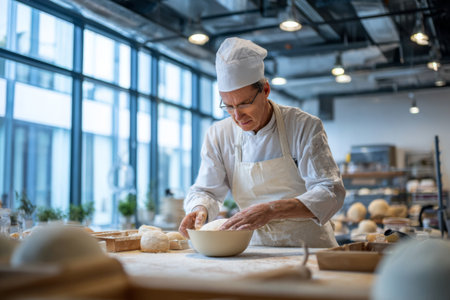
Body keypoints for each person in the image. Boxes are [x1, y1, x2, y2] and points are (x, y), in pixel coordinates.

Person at [179, 37, 345, 248]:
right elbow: (206, 191)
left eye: (244, 103)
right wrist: (199, 209)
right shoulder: (218, 135)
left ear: (265, 90)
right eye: (228, 106)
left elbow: (330, 192)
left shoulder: (303, 126)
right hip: (255, 249)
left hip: (309, 248)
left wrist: (272, 210)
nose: (237, 116)